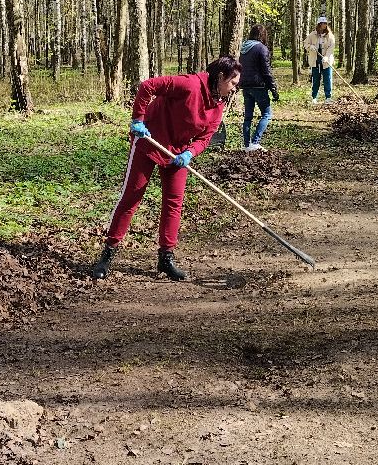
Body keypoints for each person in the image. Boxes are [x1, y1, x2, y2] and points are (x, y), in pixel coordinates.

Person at [89, 56, 241, 282]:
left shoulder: (218, 106)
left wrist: (189, 153)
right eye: (233, 83)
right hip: (149, 141)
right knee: (132, 197)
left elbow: (205, 138)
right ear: (220, 77)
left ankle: (166, 257)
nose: (234, 89)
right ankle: (108, 253)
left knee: (173, 202)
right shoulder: (189, 84)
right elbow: (148, 86)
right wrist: (138, 119)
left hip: (177, 152)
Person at [238, 23, 279, 151]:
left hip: (245, 86)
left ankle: (246, 145)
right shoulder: (262, 48)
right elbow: (266, 71)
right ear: (263, 35)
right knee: (266, 114)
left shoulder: (244, 48)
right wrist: (273, 89)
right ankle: (255, 142)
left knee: (248, 117)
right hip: (259, 86)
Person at [303, 16, 336, 103]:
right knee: (316, 79)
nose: (324, 25)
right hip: (315, 61)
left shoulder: (330, 36)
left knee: (327, 79)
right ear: (319, 24)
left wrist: (327, 56)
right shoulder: (312, 35)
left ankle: (328, 97)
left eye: (325, 24)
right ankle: (314, 97)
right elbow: (306, 44)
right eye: (322, 24)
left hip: (326, 61)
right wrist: (311, 47)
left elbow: (331, 47)